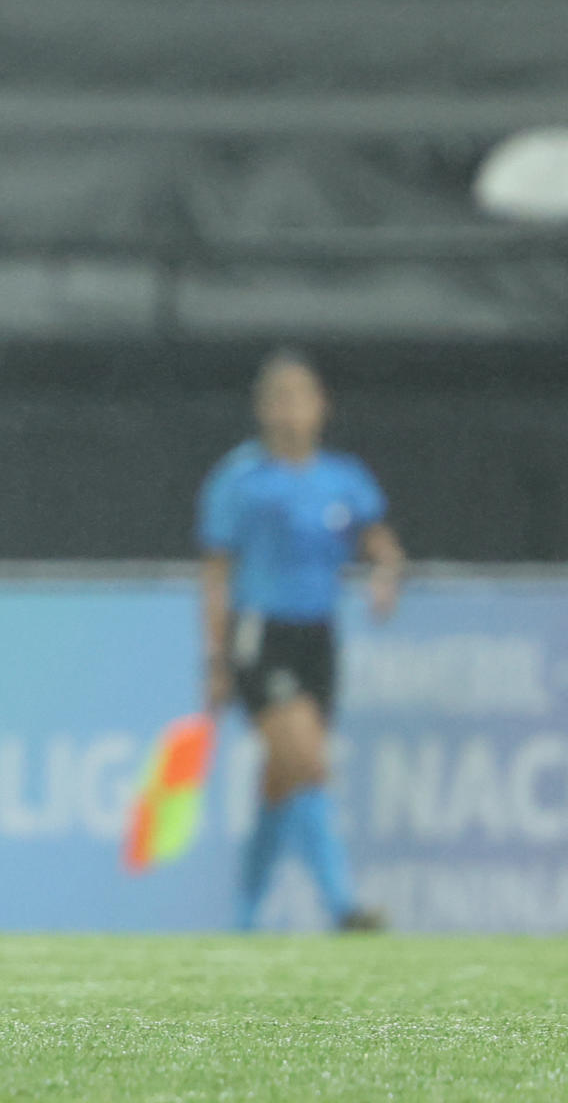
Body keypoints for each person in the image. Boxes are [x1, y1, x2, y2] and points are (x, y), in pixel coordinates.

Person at [198, 350, 404, 932]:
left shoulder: (345, 479)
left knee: (282, 778)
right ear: (262, 409)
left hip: (319, 638)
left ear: (321, 406)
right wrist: (215, 658)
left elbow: (380, 543)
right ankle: (343, 905)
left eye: (300, 396)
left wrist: (386, 575)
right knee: (308, 763)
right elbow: (215, 573)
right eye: (278, 397)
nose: (289, 410)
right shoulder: (240, 480)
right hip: (261, 635)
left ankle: (243, 916)